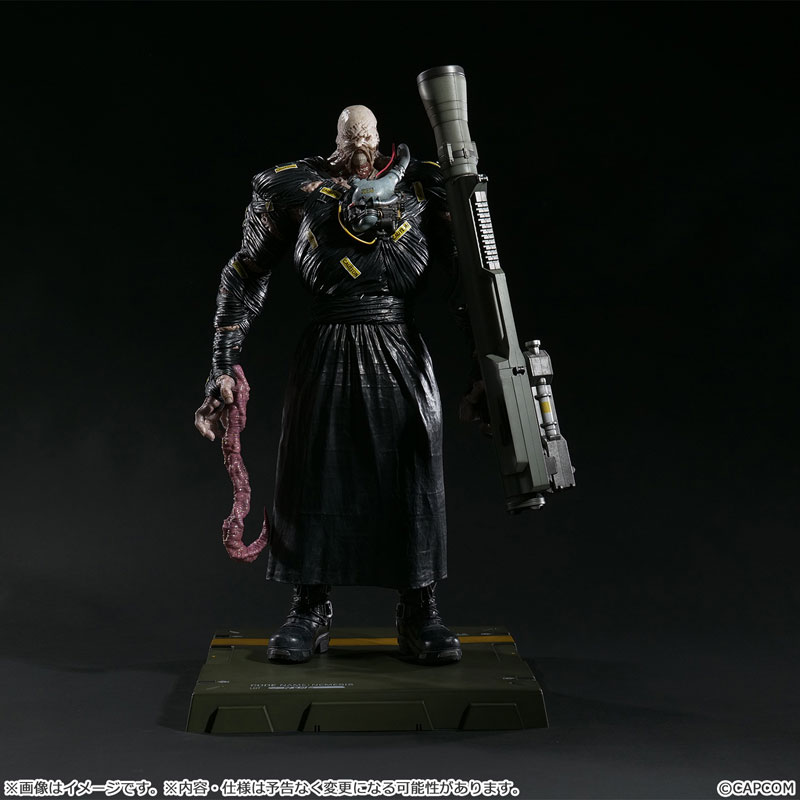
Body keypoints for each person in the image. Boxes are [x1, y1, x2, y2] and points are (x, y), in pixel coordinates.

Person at [194, 105, 468, 665]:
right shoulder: (295, 189)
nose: (359, 147)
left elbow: (470, 280)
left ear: (379, 137)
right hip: (327, 346)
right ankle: (309, 608)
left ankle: (420, 608)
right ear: (338, 139)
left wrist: (493, 369)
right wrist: (222, 363)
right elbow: (245, 272)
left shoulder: (421, 187)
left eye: (367, 137)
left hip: (399, 345)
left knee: (413, 470)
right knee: (312, 473)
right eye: (350, 137)